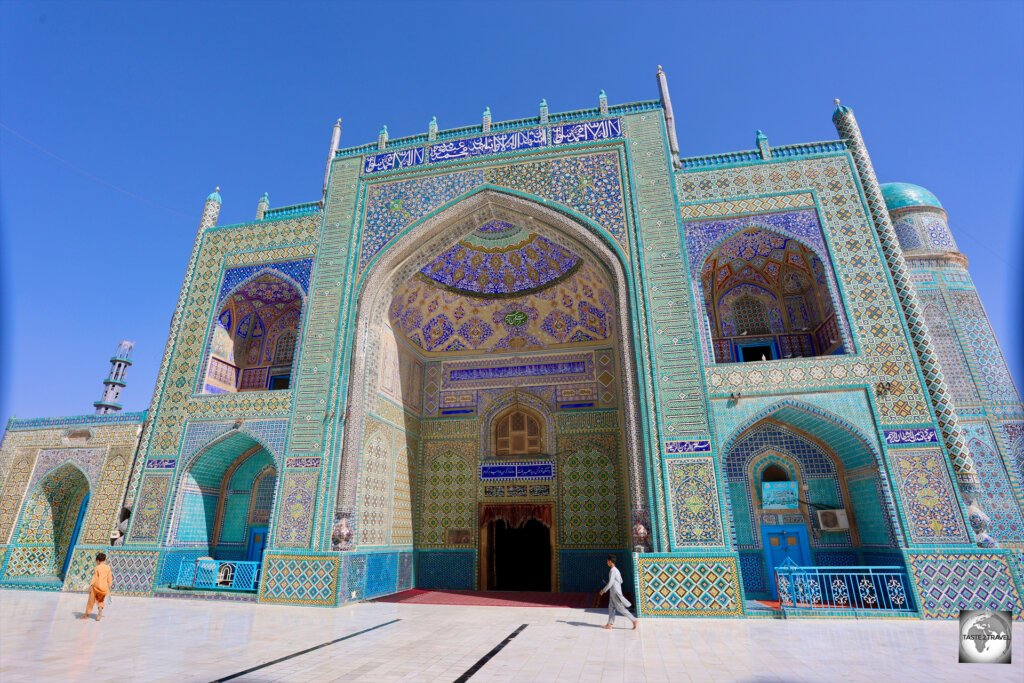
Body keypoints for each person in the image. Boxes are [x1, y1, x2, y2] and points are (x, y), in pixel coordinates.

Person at [599, 554, 638, 630]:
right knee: (611, 607)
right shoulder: (617, 570)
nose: (607, 562)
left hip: (615, 593)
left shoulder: (613, 570)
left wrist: (603, 590)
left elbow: (611, 583)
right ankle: (610, 624)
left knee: (620, 608)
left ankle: (634, 620)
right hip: (614, 592)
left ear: (610, 561)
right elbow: (620, 581)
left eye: (607, 561)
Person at [79, 552, 113, 621]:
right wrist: (109, 586)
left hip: (96, 586)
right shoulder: (108, 567)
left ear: (98, 561)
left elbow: (95, 577)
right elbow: (109, 577)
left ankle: (86, 615)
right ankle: (100, 613)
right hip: (104, 587)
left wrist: (91, 585)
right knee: (100, 600)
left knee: (91, 601)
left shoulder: (97, 568)